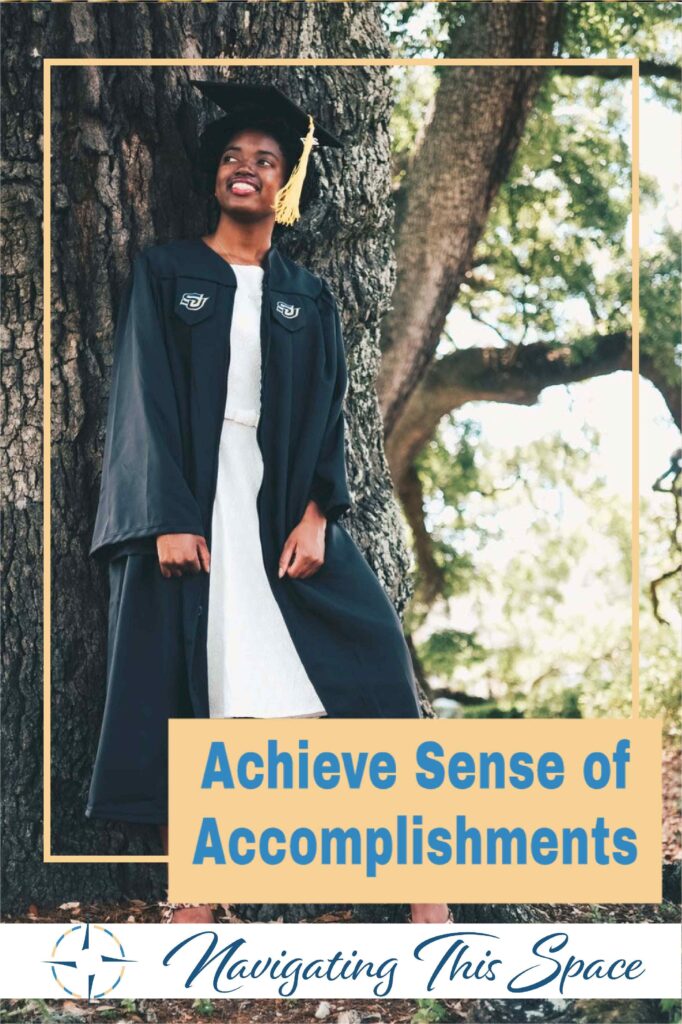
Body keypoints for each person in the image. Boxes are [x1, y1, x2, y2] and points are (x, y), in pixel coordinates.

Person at [86, 79, 452, 926]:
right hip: (196, 499)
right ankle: (197, 901)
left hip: (281, 499)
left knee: (375, 668)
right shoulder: (168, 271)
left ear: (284, 182)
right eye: (230, 159)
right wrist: (167, 513)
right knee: (208, 690)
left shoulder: (307, 295)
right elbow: (140, 394)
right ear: (214, 178)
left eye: (264, 160)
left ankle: (426, 899)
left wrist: (322, 514)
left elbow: (330, 412)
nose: (244, 170)